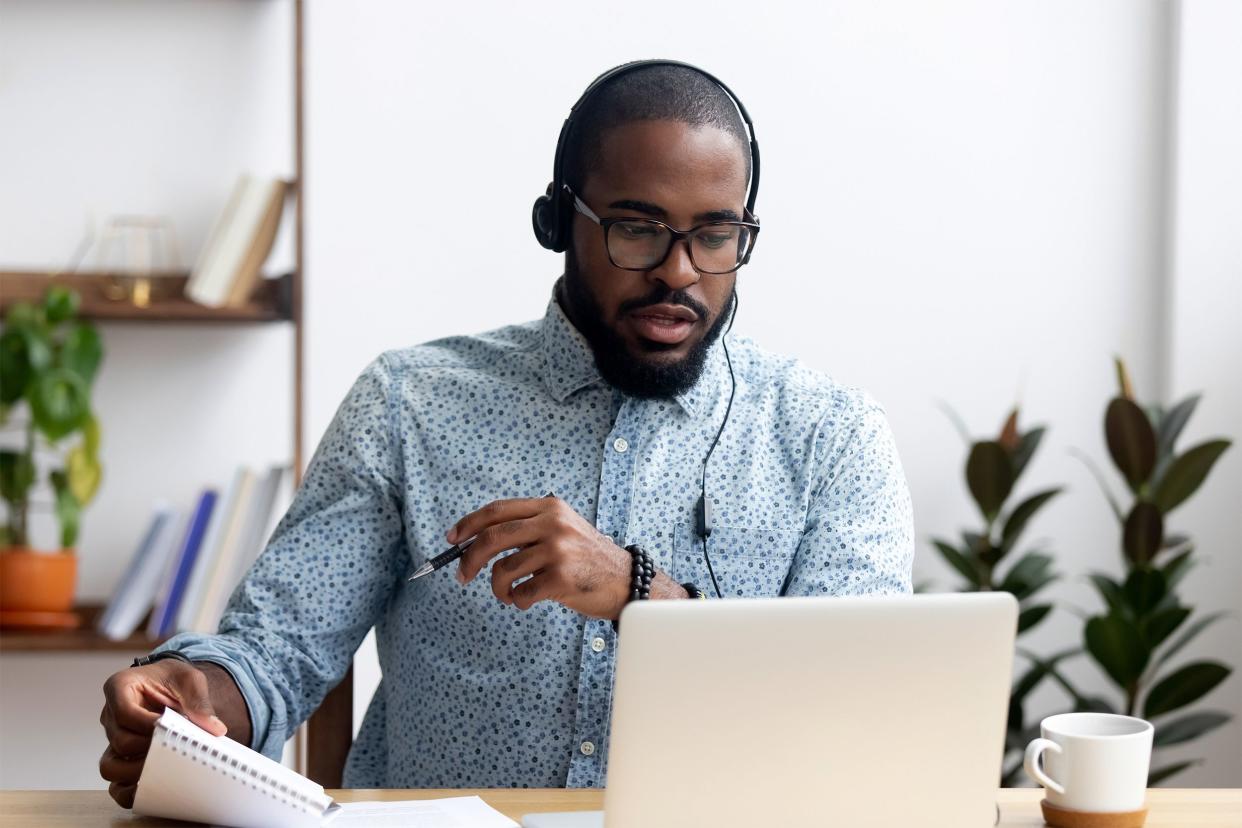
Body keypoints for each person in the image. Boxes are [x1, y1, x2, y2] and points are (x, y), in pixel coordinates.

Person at [98, 60, 914, 805]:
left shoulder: (831, 437)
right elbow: (278, 648)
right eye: (637, 229)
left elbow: (853, 713)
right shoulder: (409, 403)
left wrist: (640, 592)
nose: (680, 271)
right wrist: (198, 695)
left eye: (715, 234)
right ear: (559, 222)